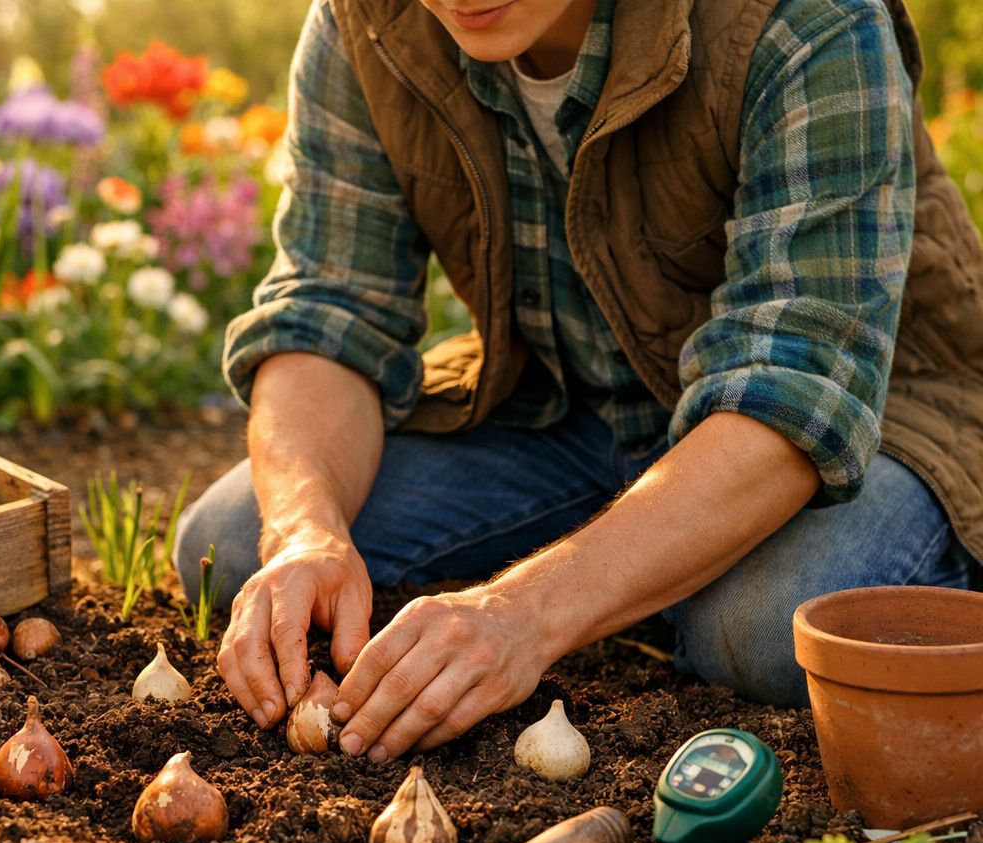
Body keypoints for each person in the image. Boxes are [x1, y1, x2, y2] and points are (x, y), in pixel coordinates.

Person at [175, 0, 983, 763]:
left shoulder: (805, 19)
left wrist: (521, 613)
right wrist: (306, 534)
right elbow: (330, 311)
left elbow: (796, 391)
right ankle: (643, 576)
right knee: (241, 542)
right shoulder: (371, 22)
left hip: (882, 416)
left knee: (769, 628)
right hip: (571, 406)